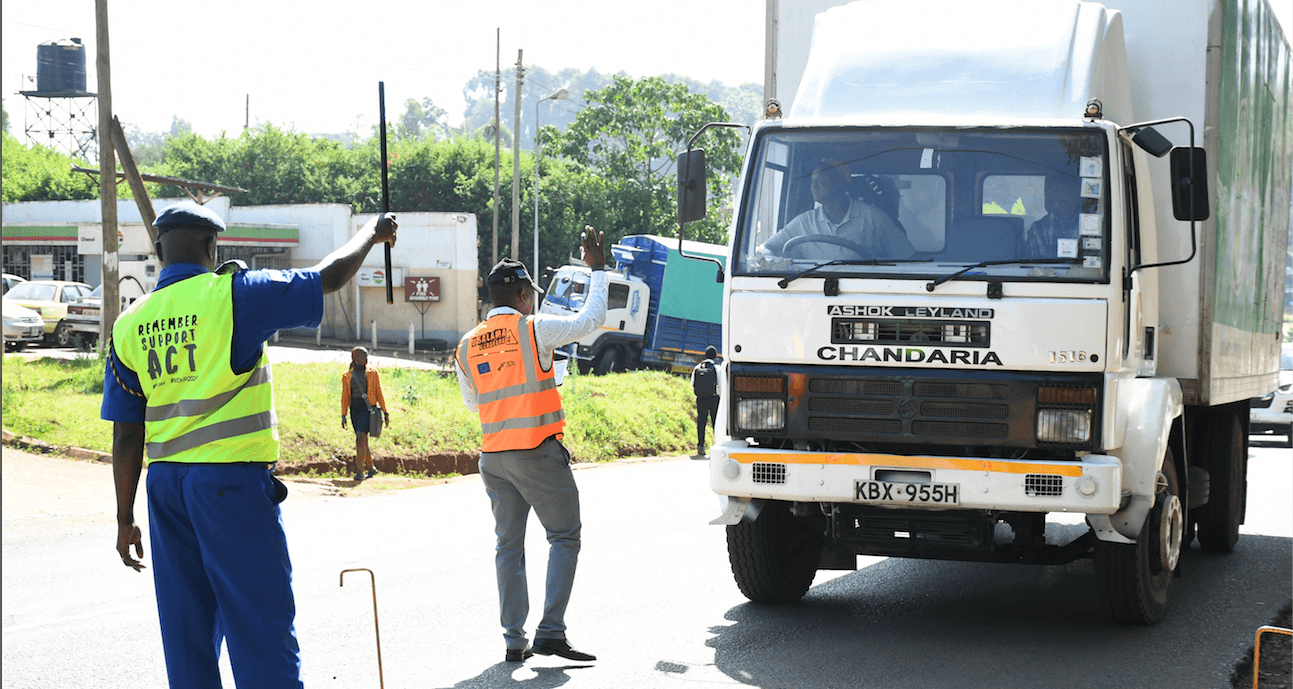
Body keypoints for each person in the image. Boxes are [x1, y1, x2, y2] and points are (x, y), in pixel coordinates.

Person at [101, 201, 397, 689]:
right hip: (230, 485)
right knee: (260, 627)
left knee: (187, 634)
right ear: (212, 245)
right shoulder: (234, 295)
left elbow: (126, 433)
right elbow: (328, 276)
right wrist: (371, 232)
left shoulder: (130, 324)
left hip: (166, 490)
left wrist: (123, 518)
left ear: (157, 250)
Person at [454, 226, 608, 664]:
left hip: (494, 458)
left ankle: (513, 639)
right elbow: (589, 321)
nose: (533, 301)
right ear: (523, 295)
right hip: (537, 451)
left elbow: (476, 403)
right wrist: (596, 271)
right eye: (531, 294)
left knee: (508, 547)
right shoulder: (533, 329)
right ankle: (551, 631)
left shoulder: (466, 345)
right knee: (564, 536)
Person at [759, 157, 915, 260]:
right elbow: (765, 248)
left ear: (840, 182)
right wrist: (772, 262)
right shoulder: (804, 222)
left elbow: (908, 258)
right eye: (812, 181)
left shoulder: (872, 218)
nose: (814, 186)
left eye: (820, 180)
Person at [340, 346, 388, 481]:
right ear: (355, 359)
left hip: (368, 409)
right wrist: (343, 414)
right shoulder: (347, 376)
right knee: (363, 440)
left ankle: (360, 471)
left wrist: (385, 411)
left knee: (360, 438)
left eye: (367, 357)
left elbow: (379, 392)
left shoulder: (373, 373)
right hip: (354, 410)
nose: (366, 359)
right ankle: (371, 468)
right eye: (363, 357)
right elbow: (345, 396)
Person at [1024, 173, 1082, 258]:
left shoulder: (1091, 225)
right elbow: (1039, 267)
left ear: (1075, 194)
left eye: (1062, 190)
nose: (1056, 196)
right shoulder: (1038, 229)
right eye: (1052, 190)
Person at [691, 345, 721, 457]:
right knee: (716, 423)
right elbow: (721, 385)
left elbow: (692, 383)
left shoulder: (697, 367)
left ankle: (700, 446)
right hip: (714, 398)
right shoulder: (717, 369)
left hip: (701, 398)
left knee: (701, 422)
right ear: (715, 357)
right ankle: (717, 445)